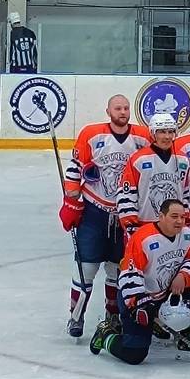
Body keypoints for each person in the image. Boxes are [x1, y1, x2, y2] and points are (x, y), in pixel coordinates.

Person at [61, 93, 149, 335]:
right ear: (108, 111)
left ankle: (113, 317)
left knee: (116, 269)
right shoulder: (91, 134)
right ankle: (76, 317)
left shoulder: (143, 136)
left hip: (125, 214)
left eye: (126, 108)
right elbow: (76, 167)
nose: (122, 112)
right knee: (86, 268)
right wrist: (71, 200)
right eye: (117, 108)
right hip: (95, 212)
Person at [89, 198, 190, 365]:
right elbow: (128, 274)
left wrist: (183, 275)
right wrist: (140, 303)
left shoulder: (187, 234)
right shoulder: (143, 238)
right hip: (138, 297)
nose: (180, 221)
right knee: (134, 354)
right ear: (161, 216)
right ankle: (105, 335)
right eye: (174, 216)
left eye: (183, 217)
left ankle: (189, 337)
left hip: (166, 292)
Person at [116, 112, 190, 233]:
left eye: (170, 132)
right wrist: (131, 223)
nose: (167, 136)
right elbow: (126, 193)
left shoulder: (183, 159)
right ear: (153, 133)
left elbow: (185, 194)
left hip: (174, 226)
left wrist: (184, 218)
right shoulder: (138, 159)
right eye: (162, 132)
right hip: (144, 225)